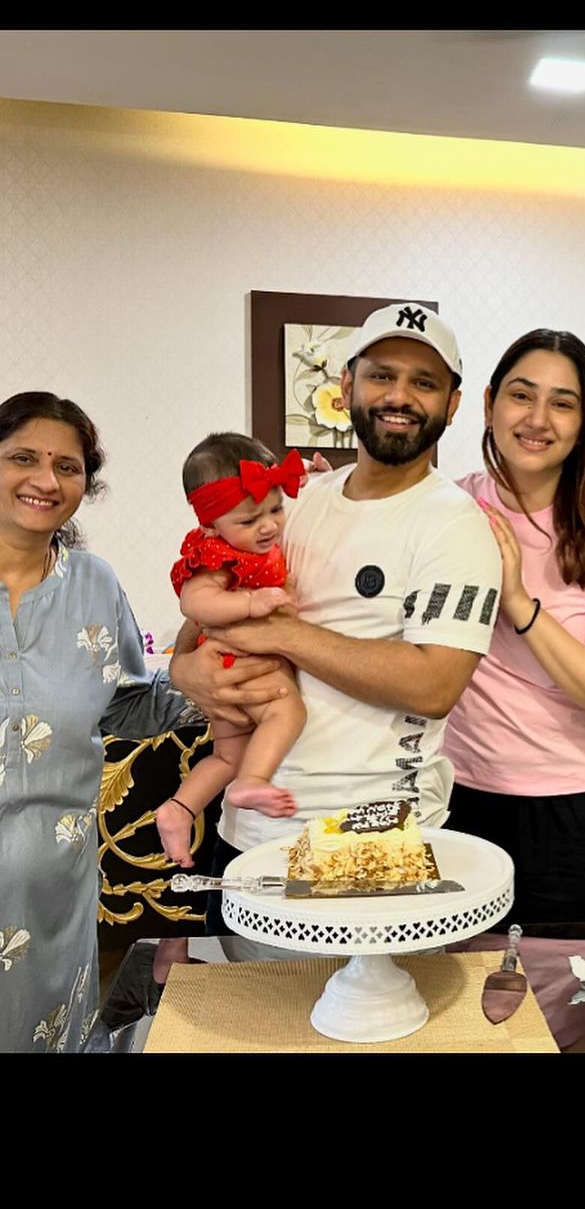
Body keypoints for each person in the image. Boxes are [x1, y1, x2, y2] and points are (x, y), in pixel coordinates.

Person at [169, 303, 502, 926]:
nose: (398, 395)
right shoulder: (295, 502)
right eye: (381, 375)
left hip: (369, 832)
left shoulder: (456, 527)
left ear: (452, 405)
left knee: (369, 1013)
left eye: (424, 382)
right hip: (250, 824)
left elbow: (434, 685)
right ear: (346, 386)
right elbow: (206, 611)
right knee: (250, 1009)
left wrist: (281, 633)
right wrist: (185, 670)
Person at [0, 391, 249, 1052]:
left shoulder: (93, 584)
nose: (46, 480)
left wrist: (207, 671)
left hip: (58, 890)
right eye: (22, 457)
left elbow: (132, 703)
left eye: (68, 465)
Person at [443, 329, 585, 924]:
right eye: (521, 395)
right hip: (455, 793)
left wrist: (519, 603)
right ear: (489, 404)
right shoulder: (447, 509)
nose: (538, 419)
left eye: (563, 403)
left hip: (574, 808)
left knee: (565, 997)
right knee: (456, 989)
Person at [154, 434, 308, 868]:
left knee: (227, 756)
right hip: (236, 662)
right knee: (288, 711)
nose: (268, 527)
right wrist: (250, 603)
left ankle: (179, 809)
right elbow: (194, 603)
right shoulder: (216, 556)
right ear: (210, 525)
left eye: (276, 509)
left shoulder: (243, 543)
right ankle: (252, 782)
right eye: (248, 519)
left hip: (226, 666)